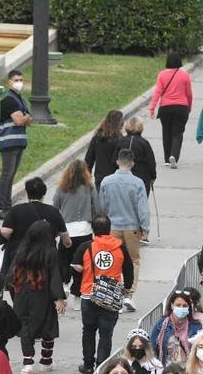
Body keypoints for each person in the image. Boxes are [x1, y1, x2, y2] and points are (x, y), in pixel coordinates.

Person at [70, 215, 126, 374]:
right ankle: (102, 367)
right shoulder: (120, 247)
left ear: (93, 230)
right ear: (109, 229)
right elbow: (128, 269)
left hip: (89, 294)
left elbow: (75, 266)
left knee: (88, 330)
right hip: (110, 296)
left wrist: (82, 280)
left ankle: (88, 365)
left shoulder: (86, 246)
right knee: (106, 333)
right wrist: (126, 288)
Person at [10, 220, 68, 374]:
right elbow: (55, 276)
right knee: (48, 326)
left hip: (22, 294)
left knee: (25, 327)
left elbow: (12, 274)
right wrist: (59, 298)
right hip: (43, 295)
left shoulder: (21, 251)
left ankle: (28, 362)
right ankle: (46, 360)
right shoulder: (50, 253)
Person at [0, 177, 71, 280]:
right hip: (44, 258)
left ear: (27, 192)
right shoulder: (53, 212)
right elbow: (66, 240)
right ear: (44, 193)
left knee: (17, 285)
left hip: (19, 256)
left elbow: (5, 231)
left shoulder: (16, 210)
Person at [100, 149, 149, 306]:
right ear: (132, 163)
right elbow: (142, 208)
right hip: (132, 227)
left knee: (112, 259)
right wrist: (145, 227)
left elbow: (102, 205)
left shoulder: (106, 181)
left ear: (117, 162)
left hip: (112, 226)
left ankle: (113, 292)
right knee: (134, 260)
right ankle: (129, 294)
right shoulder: (138, 183)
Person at [53, 159, 100, 304]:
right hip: (84, 229)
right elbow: (97, 207)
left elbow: (56, 206)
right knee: (82, 264)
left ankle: (64, 283)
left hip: (67, 230)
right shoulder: (89, 187)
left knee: (64, 259)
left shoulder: (61, 188)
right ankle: (77, 295)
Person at [0, 69, 33, 219]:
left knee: (11, 176)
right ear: (9, 82)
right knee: (6, 175)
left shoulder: (20, 99)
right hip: (9, 142)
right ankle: (0, 208)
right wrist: (24, 117)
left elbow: (29, 119)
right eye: (16, 80)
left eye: (21, 80)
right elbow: (19, 120)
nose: (19, 83)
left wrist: (24, 117)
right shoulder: (8, 99)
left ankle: (7, 206)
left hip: (18, 142)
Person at [149, 53, 194, 168]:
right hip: (181, 107)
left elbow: (158, 92)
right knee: (177, 133)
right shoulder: (185, 75)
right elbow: (189, 94)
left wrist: (152, 107)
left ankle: (167, 158)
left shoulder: (162, 75)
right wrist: (189, 107)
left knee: (166, 132)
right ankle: (174, 155)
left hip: (165, 108)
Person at [151, 290, 203, 365]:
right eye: (178, 305)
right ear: (172, 305)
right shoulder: (162, 324)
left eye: (184, 305)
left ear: (189, 307)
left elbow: (201, 347)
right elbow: (153, 346)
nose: (181, 308)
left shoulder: (196, 325)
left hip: (189, 368)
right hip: (167, 368)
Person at [85, 110, 127, 188]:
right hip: (116, 180)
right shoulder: (121, 140)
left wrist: (87, 178)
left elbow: (88, 160)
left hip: (100, 178)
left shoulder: (97, 138)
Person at [117, 117, 158, 196]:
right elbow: (151, 161)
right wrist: (153, 176)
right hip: (141, 177)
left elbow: (114, 158)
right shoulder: (144, 143)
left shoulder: (121, 141)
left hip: (123, 176)